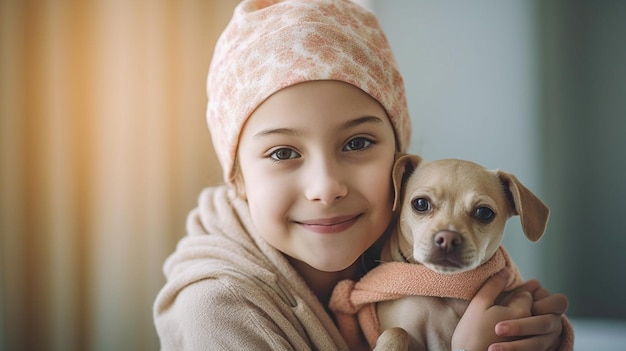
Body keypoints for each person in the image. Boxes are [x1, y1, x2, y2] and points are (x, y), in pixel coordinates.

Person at [153, 0, 570, 350]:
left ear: (400, 161)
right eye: (282, 152)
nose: (326, 187)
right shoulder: (217, 310)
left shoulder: (401, 249)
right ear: (238, 179)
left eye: (357, 144)